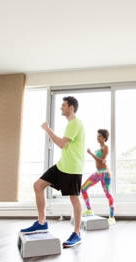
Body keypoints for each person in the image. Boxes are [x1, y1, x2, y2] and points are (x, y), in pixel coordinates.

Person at [20, 96, 85, 248]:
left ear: (71, 107)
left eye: (63, 105)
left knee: (74, 199)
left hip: (73, 168)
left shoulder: (75, 123)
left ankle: (77, 233)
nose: (61, 108)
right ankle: (42, 223)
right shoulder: (71, 124)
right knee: (38, 186)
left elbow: (62, 144)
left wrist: (47, 129)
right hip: (62, 165)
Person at [81, 129, 116, 225]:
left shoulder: (105, 147)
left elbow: (101, 161)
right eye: (97, 135)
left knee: (108, 194)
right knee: (83, 188)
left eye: (99, 136)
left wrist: (91, 153)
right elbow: (100, 161)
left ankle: (112, 217)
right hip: (98, 173)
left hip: (105, 174)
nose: (97, 137)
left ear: (104, 138)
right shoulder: (99, 149)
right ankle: (89, 210)